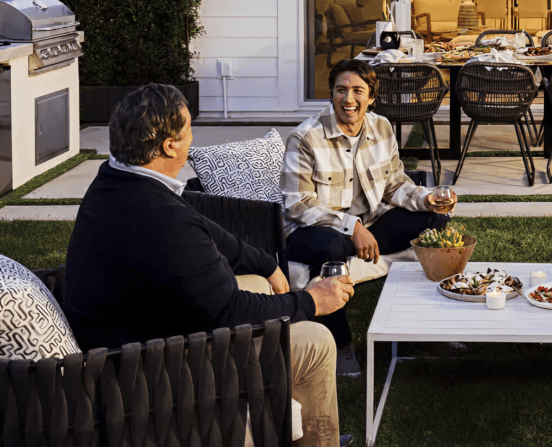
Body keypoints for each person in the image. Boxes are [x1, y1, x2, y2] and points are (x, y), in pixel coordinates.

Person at [64, 84, 355, 447]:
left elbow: (207, 230)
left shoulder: (116, 181)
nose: (191, 139)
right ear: (170, 145)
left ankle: (280, 426)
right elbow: (231, 312)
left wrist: (266, 264)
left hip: (133, 336)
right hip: (152, 371)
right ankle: (317, 442)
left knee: (258, 282)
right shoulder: (159, 218)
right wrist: (312, 301)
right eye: (188, 130)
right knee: (315, 340)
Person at [281, 59, 452, 370]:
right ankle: (341, 344)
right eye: (341, 90)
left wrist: (427, 199)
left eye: (358, 91)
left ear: (371, 96)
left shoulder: (381, 127)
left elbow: (394, 184)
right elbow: (297, 203)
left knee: (435, 223)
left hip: (370, 224)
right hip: (311, 230)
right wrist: (353, 227)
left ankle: (430, 324)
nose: (349, 99)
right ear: (331, 95)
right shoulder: (305, 138)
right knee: (331, 251)